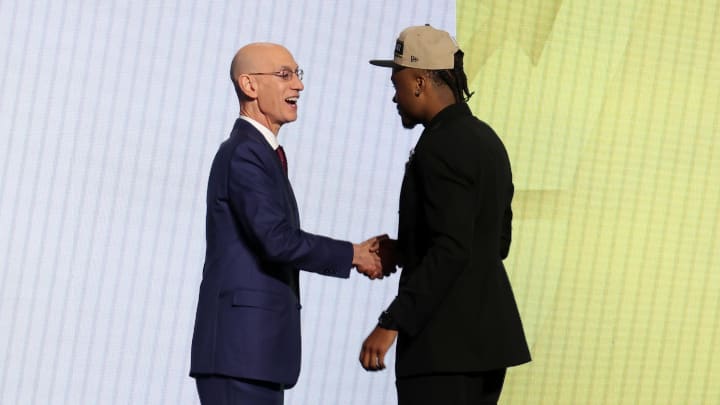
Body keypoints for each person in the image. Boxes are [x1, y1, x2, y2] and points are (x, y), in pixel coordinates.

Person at [190, 42, 384, 405]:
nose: (298, 85)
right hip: (240, 354)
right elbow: (276, 240)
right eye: (284, 75)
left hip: (256, 355)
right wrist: (354, 255)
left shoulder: (262, 153)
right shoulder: (245, 152)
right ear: (249, 85)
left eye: (298, 73)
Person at [360, 25, 531, 404]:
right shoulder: (487, 141)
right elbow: (492, 242)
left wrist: (392, 322)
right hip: (486, 347)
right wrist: (407, 250)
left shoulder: (439, 146)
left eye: (397, 83)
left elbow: (452, 247)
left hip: (443, 350)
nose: (394, 96)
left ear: (420, 81)